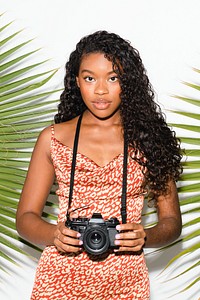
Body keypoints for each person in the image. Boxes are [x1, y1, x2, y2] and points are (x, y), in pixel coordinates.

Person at [16, 30, 183, 300]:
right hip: (59, 279)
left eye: (113, 78)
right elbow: (25, 218)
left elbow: (172, 222)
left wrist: (145, 236)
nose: (101, 90)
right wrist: (55, 234)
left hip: (127, 281)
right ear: (76, 82)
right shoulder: (53, 138)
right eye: (90, 78)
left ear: (128, 83)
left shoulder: (149, 140)